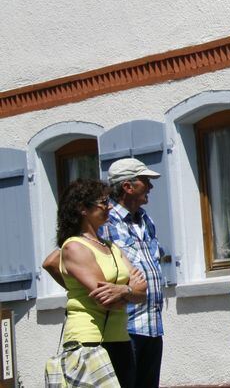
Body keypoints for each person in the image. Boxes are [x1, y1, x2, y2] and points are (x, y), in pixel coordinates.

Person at [43, 179, 148, 387]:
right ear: (83, 208)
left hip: (120, 340)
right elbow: (107, 300)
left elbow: (143, 292)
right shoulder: (74, 247)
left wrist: (123, 290)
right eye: (103, 202)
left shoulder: (111, 247)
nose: (109, 206)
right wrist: (129, 290)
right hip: (88, 342)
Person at [99, 157, 165, 388]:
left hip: (152, 327)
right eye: (145, 181)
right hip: (124, 330)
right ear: (128, 186)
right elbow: (64, 259)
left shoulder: (146, 220)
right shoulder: (103, 222)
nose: (151, 187)